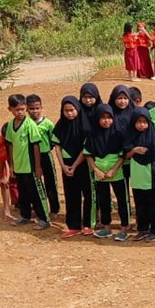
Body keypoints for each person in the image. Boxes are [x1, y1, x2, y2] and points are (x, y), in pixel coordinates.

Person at [3, 94, 49, 229]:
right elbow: (10, 145)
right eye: (17, 109)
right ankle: (25, 215)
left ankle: (44, 218)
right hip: (19, 166)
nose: (20, 112)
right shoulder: (11, 125)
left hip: (30, 166)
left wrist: (38, 166)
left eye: (23, 109)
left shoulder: (30, 124)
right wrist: (11, 165)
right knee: (23, 193)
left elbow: (36, 145)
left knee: (36, 193)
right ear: (10, 109)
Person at [87, 104, 130, 241]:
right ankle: (106, 228)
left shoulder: (118, 134)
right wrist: (96, 170)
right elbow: (88, 154)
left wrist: (114, 169)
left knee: (122, 200)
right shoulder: (93, 135)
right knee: (104, 200)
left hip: (116, 172)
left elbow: (123, 155)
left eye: (109, 118)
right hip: (100, 174)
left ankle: (124, 228)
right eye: (103, 118)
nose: (106, 121)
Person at [52, 97, 93, 237]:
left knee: (88, 194)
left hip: (83, 164)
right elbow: (57, 146)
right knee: (71, 194)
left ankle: (88, 224)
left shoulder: (85, 125)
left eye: (72, 110)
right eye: (66, 111)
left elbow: (85, 148)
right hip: (67, 164)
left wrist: (75, 165)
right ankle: (73, 225)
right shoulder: (61, 125)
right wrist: (63, 165)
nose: (69, 113)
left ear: (78, 109)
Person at [125, 107, 155, 241]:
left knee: (153, 205)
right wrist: (134, 150)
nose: (142, 125)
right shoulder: (130, 136)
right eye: (138, 122)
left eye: (144, 122)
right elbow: (126, 155)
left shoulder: (153, 137)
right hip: (136, 177)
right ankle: (142, 229)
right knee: (140, 204)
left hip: (150, 175)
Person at [27, 94, 60, 217]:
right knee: (35, 183)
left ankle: (54, 209)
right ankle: (38, 208)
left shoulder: (48, 124)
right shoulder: (27, 123)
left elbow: (54, 140)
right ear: (27, 109)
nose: (35, 111)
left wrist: (47, 148)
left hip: (45, 156)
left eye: (37, 108)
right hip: (30, 157)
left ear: (41, 107)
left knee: (50, 183)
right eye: (31, 108)